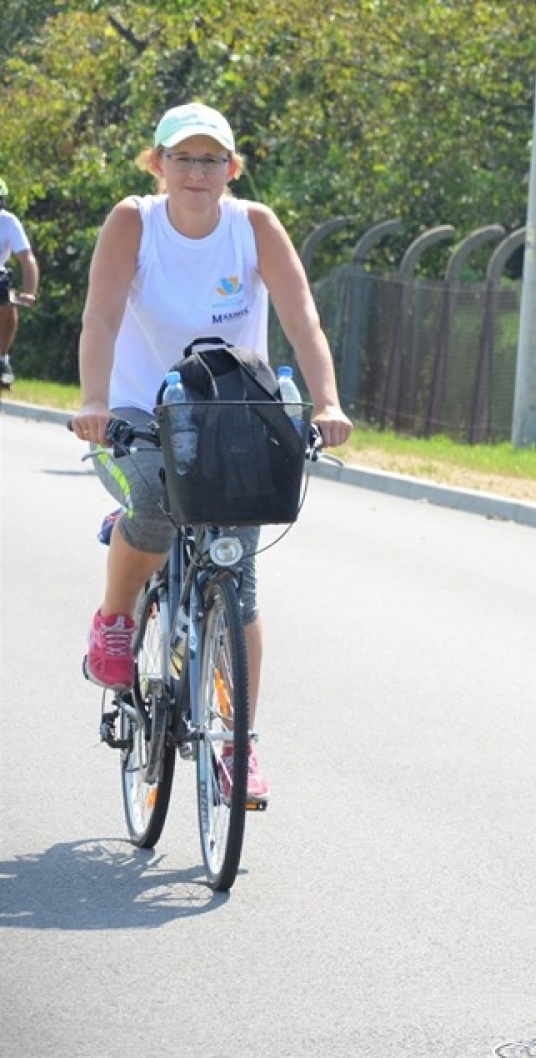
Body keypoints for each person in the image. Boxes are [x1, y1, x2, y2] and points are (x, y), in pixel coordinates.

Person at [69, 102, 354, 804]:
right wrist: (93, 402)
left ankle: (240, 743)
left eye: (211, 160)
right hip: (138, 414)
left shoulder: (253, 227)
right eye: (183, 158)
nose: (197, 172)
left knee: (239, 581)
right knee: (158, 504)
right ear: (158, 163)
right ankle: (115, 616)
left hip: (232, 413)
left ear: (231, 168)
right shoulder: (134, 223)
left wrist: (326, 402)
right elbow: (101, 317)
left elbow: (302, 317)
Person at [0, 177, 40, 387]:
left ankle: (1, 359)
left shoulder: (7, 222)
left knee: (5, 294)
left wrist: (29, 292)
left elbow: (27, 259)